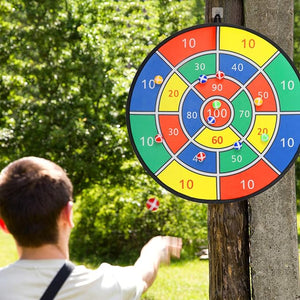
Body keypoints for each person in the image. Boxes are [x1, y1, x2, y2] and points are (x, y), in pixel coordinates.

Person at [0, 156, 182, 300]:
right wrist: (155, 247)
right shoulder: (100, 287)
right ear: (68, 214)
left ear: (3, 224)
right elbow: (142, 276)